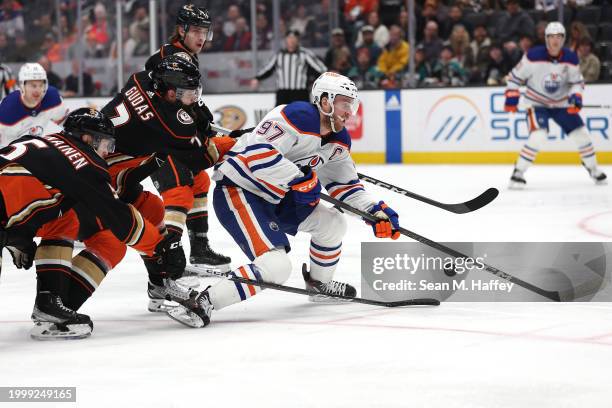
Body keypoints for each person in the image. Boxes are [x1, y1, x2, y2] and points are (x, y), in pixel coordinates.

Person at [171, 72, 402, 328]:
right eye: (344, 103)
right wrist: (300, 179)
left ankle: (319, 285)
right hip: (241, 191)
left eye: (352, 105)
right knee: (277, 266)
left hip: (278, 199)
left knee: (334, 223)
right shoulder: (298, 115)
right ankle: (202, 302)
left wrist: (374, 212)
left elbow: (344, 186)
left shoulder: (339, 140)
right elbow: (257, 155)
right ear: (325, 101)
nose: (350, 112)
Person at [0, 108, 185, 339]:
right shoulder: (85, 162)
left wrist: (17, 236)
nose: (107, 151)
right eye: (105, 143)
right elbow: (119, 217)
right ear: (87, 138)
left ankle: (50, 302)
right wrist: (158, 247)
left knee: (64, 221)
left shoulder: (44, 141)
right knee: (99, 234)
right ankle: (52, 302)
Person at [100, 55, 234, 314]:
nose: (194, 97)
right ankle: (53, 300)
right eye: (188, 92)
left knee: (153, 210)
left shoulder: (140, 80)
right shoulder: (171, 124)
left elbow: (153, 64)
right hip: (103, 179)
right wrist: (236, 142)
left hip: (118, 172)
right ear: (171, 92)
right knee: (136, 239)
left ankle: (161, 283)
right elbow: (201, 155)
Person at [145, 4, 231, 272]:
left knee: (200, 180)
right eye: (195, 30)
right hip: (159, 141)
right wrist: (196, 121)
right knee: (179, 191)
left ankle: (199, 248)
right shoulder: (172, 58)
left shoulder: (182, 55)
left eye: (205, 31)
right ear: (180, 30)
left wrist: (200, 115)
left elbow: (184, 101)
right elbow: (166, 104)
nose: (201, 37)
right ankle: (169, 260)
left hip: (169, 137)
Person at [505, 22, 607, 189]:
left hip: (562, 105)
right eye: (551, 37)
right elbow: (515, 78)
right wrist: (511, 98)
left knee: (581, 135)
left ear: (564, 39)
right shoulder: (532, 56)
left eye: (559, 37)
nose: (555, 40)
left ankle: (593, 168)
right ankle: (518, 173)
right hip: (536, 104)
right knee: (538, 136)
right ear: (546, 39)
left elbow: (576, 82)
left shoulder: (571, 58)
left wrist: (576, 97)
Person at [250, 30, 327, 106]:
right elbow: (268, 69)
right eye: (289, 38)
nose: (291, 40)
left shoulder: (305, 54)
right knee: (281, 116)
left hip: (300, 92)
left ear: (298, 40)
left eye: (294, 38)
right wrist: (257, 78)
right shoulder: (279, 55)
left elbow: (319, 69)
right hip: (283, 93)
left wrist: (326, 79)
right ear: (286, 40)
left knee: (302, 115)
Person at [0, 63, 68, 146]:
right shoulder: (7, 110)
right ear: (22, 85)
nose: (37, 90)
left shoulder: (52, 98)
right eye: (33, 85)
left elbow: (66, 123)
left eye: (41, 85)